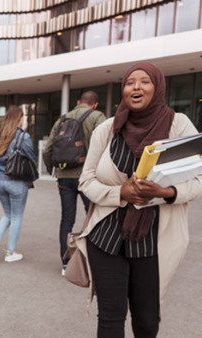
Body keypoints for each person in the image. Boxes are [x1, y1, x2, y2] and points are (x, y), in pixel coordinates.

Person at [77, 63, 202, 337]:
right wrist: (121, 193)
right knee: (110, 319)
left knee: (146, 321)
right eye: (130, 82)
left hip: (153, 241)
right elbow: (86, 181)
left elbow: (198, 179)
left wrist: (165, 193)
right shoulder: (108, 130)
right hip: (107, 237)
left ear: (157, 87)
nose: (136, 87)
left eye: (145, 81)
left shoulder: (179, 125)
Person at [43, 91, 106, 275]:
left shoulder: (62, 119)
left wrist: (52, 170)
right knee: (94, 217)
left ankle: (66, 263)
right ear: (94, 104)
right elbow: (105, 145)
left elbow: (48, 149)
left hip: (65, 177)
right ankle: (93, 261)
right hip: (88, 177)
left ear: (78, 102)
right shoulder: (97, 117)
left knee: (67, 220)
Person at [0, 106, 36, 263]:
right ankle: (10, 252)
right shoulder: (23, 137)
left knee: (8, 214)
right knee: (16, 216)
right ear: (19, 119)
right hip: (16, 182)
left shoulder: (1, 136)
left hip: (0, 182)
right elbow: (31, 158)